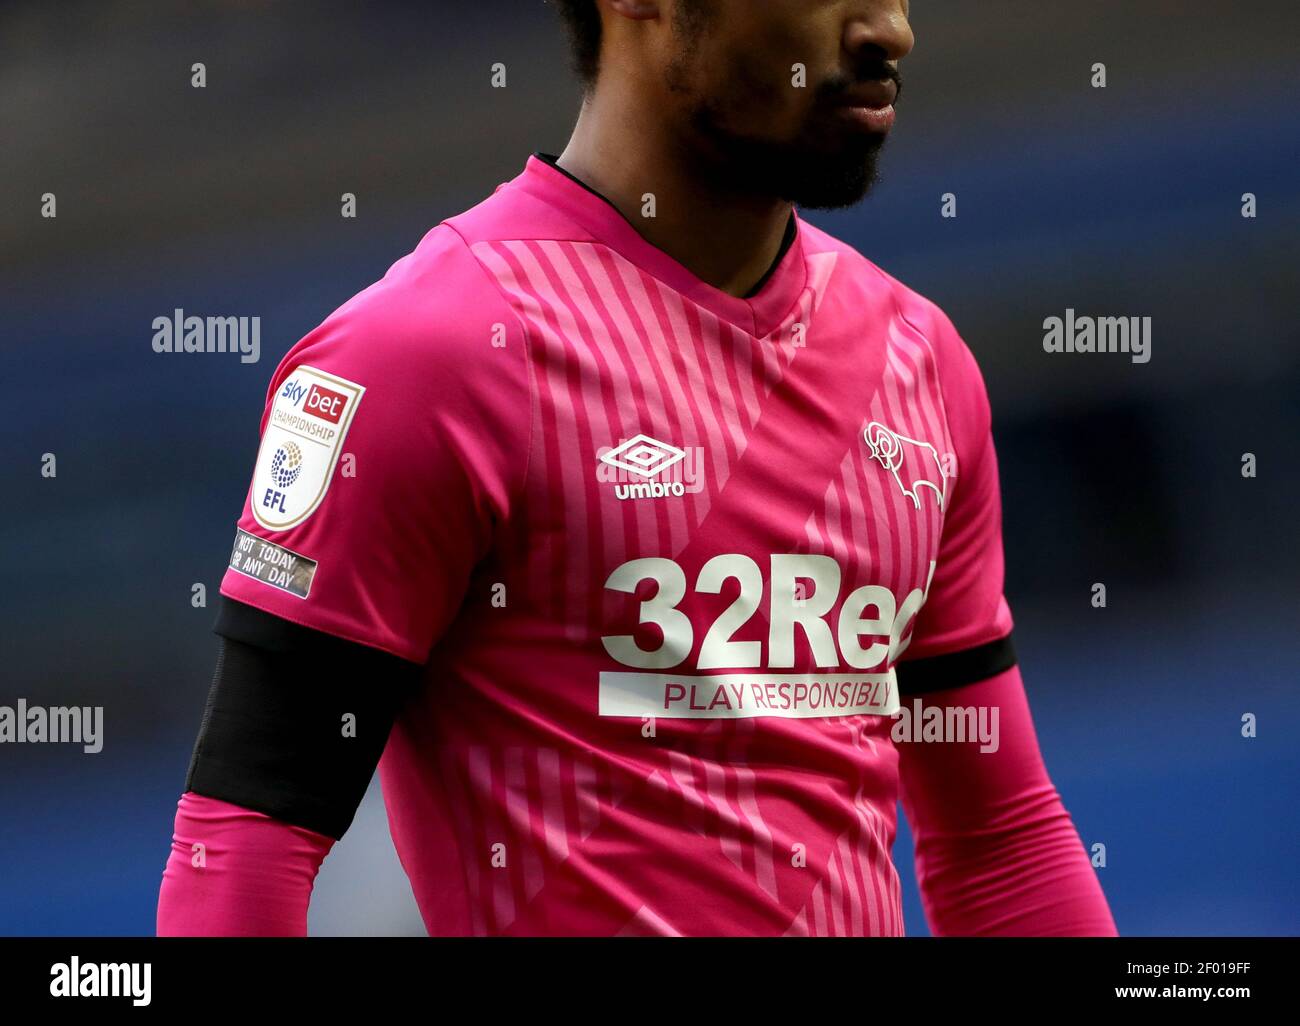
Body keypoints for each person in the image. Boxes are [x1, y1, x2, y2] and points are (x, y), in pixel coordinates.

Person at [157, 0, 1117, 936]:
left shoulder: (922, 363)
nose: (890, 28)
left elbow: (1001, 842)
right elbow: (242, 839)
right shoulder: (426, 355)